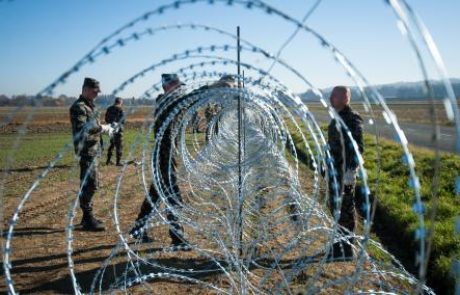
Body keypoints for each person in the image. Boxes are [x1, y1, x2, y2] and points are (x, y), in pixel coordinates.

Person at [130, 74, 190, 248]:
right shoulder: (166, 102)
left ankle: (138, 229)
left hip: (166, 155)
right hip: (164, 156)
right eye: (177, 86)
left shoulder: (172, 102)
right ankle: (177, 237)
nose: (180, 89)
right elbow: (188, 100)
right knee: (173, 196)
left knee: (156, 193)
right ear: (168, 86)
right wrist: (212, 89)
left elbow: (187, 102)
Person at [69, 77, 115, 231]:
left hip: (94, 149)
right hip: (86, 151)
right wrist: (101, 128)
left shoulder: (91, 107)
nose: (96, 94)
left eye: (97, 92)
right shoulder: (79, 107)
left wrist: (104, 129)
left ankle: (87, 217)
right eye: (94, 91)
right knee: (90, 184)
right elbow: (83, 128)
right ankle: (88, 218)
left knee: (91, 183)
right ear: (85, 89)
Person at [327, 86, 364, 259]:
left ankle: (347, 249)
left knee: (346, 210)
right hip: (335, 171)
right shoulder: (337, 118)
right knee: (335, 208)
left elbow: (358, 148)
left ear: (344, 98)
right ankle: (338, 245)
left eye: (334, 95)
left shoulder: (351, 118)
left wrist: (351, 170)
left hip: (344, 173)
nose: (330, 98)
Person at [105, 97, 125, 166]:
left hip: (110, 129)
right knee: (119, 146)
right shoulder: (121, 109)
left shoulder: (109, 109)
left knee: (112, 145)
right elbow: (123, 120)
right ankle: (118, 162)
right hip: (118, 130)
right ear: (120, 102)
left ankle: (108, 160)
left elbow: (106, 119)